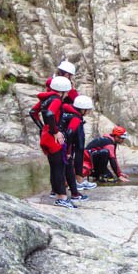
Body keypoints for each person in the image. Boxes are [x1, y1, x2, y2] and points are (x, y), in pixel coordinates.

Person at [36, 76, 77, 208]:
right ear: (64, 90)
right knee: (59, 167)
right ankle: (62, 197)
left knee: (54, 167)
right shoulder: (56, 100)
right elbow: (49, 114)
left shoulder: (46, 99)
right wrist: (55, 131)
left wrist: (44, 128)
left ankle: (57, 194)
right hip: (53, 138)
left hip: (45, 136)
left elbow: (33, 112)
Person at [59, 95, 95, 202]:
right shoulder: (75, 118)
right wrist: (68, 151)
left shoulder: (66, 113)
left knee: (59, 168)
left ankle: (59, 190)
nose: (88, 112)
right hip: (67, 147)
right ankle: (75, 187)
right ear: (83, 109)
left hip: (59, 145)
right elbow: (71, 135)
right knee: (68, 167)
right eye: (88, 110)